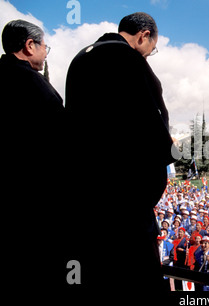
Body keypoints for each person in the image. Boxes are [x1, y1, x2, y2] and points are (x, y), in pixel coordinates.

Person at [65, 12, 177, 290]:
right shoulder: (130, 61)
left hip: (85, 199)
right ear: (144, 36)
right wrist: (170, 152)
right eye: (152, 50)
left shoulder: (79, 58)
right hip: (125, 204)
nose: (149, 55)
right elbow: (153, 125)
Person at [1, 19, 65, 288]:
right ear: (29, 46)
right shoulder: (36, 87)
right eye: (45, 47)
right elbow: (63, 145)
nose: (45, 53)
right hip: (33, 210)